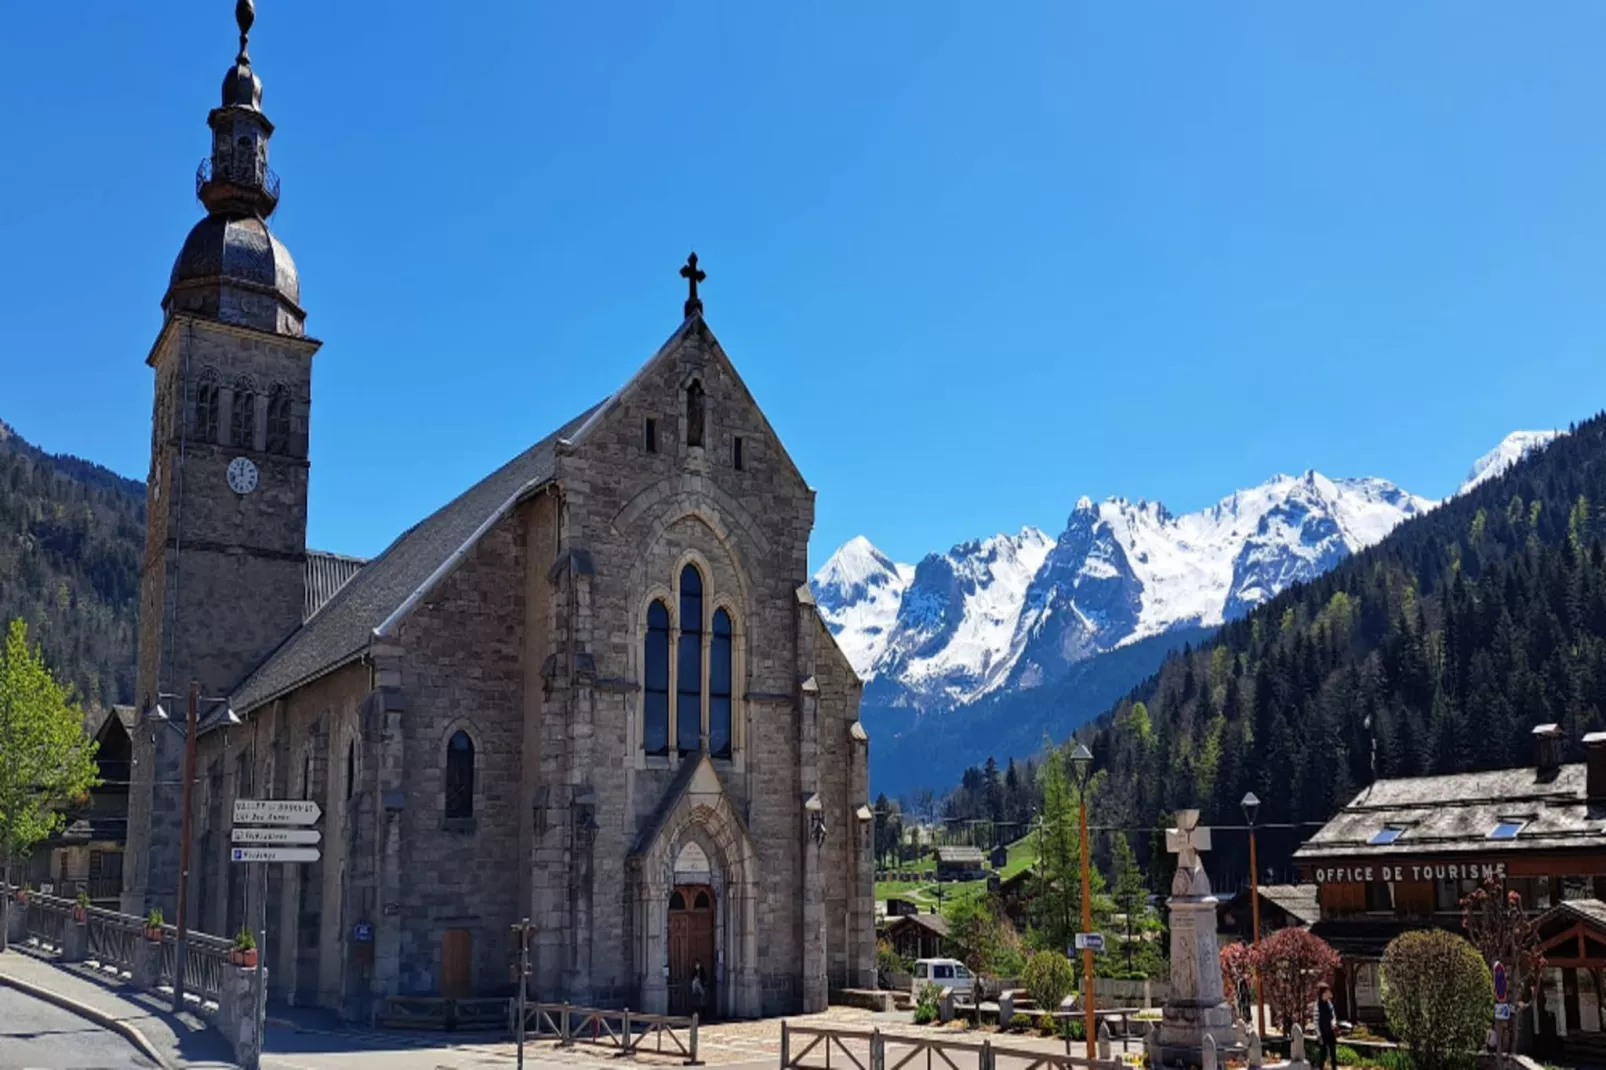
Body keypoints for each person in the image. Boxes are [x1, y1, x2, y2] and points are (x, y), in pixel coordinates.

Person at [1317, 982, 1339, 1070]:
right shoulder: (1317, 1005)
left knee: (1333, 1054)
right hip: (1322, 1033)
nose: (1330, 992)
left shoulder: (1329, 1003)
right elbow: (1316, 1021)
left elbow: (1333, 1015)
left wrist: (1333, 1021)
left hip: (1330, 1032)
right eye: (1328, 991)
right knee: (1323, 1055)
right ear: (1323, 993)